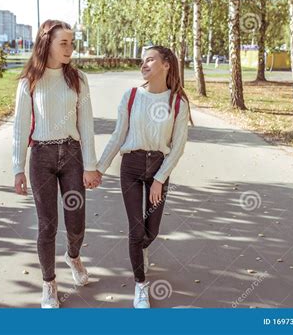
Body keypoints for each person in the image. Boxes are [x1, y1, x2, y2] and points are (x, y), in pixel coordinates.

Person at [12, 19, 101, 308]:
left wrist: (90, 165)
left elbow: (86, 125)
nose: (70, 49)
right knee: (47, 225)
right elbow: (20, 126)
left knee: (76, 223)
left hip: (72, 156)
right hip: (41, 159)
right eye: (64, 43)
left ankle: (73, 256)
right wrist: (18, 168)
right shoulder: (29, 82)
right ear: (46, 44)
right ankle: (49, 282)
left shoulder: (78, 79)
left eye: (72, 43)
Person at [96, 45, 192, 308]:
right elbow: (117, 136)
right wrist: (98, 169)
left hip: (158, 169)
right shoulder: (131, 96)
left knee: (152, 231)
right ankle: (140, 285)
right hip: (131, 167)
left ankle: (142, 248)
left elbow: (178, 146)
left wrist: (160, 179)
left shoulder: (177, 102)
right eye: (142, 61)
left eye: (150, 60)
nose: (144, 65)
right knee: (136, 229)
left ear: (166, 65)